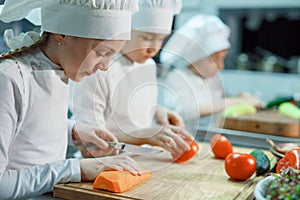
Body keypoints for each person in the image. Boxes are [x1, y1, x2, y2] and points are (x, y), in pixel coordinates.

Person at [0, 0, 142, 199]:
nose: (105, 66)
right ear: (62, 34)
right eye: (101, 52)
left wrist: (73, 131)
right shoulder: (10, 80)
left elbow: (26, 128)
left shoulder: (60, 70)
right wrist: (75, 169)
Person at [70, 0, 194, 158]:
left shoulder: (148, 65)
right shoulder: (97, 68)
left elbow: (125, 103)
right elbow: (93, 143)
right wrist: (145, 136)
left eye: (161, 39)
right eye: (147, 37)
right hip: (103, 164)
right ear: (124, 30)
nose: (154, 48)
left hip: (141, 158)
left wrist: (156, 110)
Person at [159, 14, 262, 125]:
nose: (221, 66)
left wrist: (240, 96)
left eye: (222, 59)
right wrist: (235, 101)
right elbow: (188, 110)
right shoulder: (177, 77)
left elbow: (222, 99)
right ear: (195, 58)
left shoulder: (212, 78)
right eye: (215, 60)